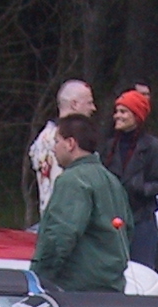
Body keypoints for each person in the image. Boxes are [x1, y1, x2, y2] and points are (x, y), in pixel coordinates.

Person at [32, 114, 130, 292]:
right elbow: (128, 230)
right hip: (112, 287)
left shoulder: (72, 180)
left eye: (57, 142)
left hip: (76, 289)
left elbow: (60, 236)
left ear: (70, 143)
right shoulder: (112, 181)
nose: (53, 148)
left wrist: (39, 278)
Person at [102, 87, 158, 270]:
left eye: (123, 111)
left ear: (136, 115)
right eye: (116, 111)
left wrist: (146, 188)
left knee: (141, 273)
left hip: (141, 223)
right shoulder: (109, 147)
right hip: (113, 224)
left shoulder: (153, 147)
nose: (117, 116)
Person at [30, 79, 95, 213]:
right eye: (89, 103)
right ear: (74, 104)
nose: (93, 108)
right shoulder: (66, 141)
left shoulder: (42, 139)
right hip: (67, 219)